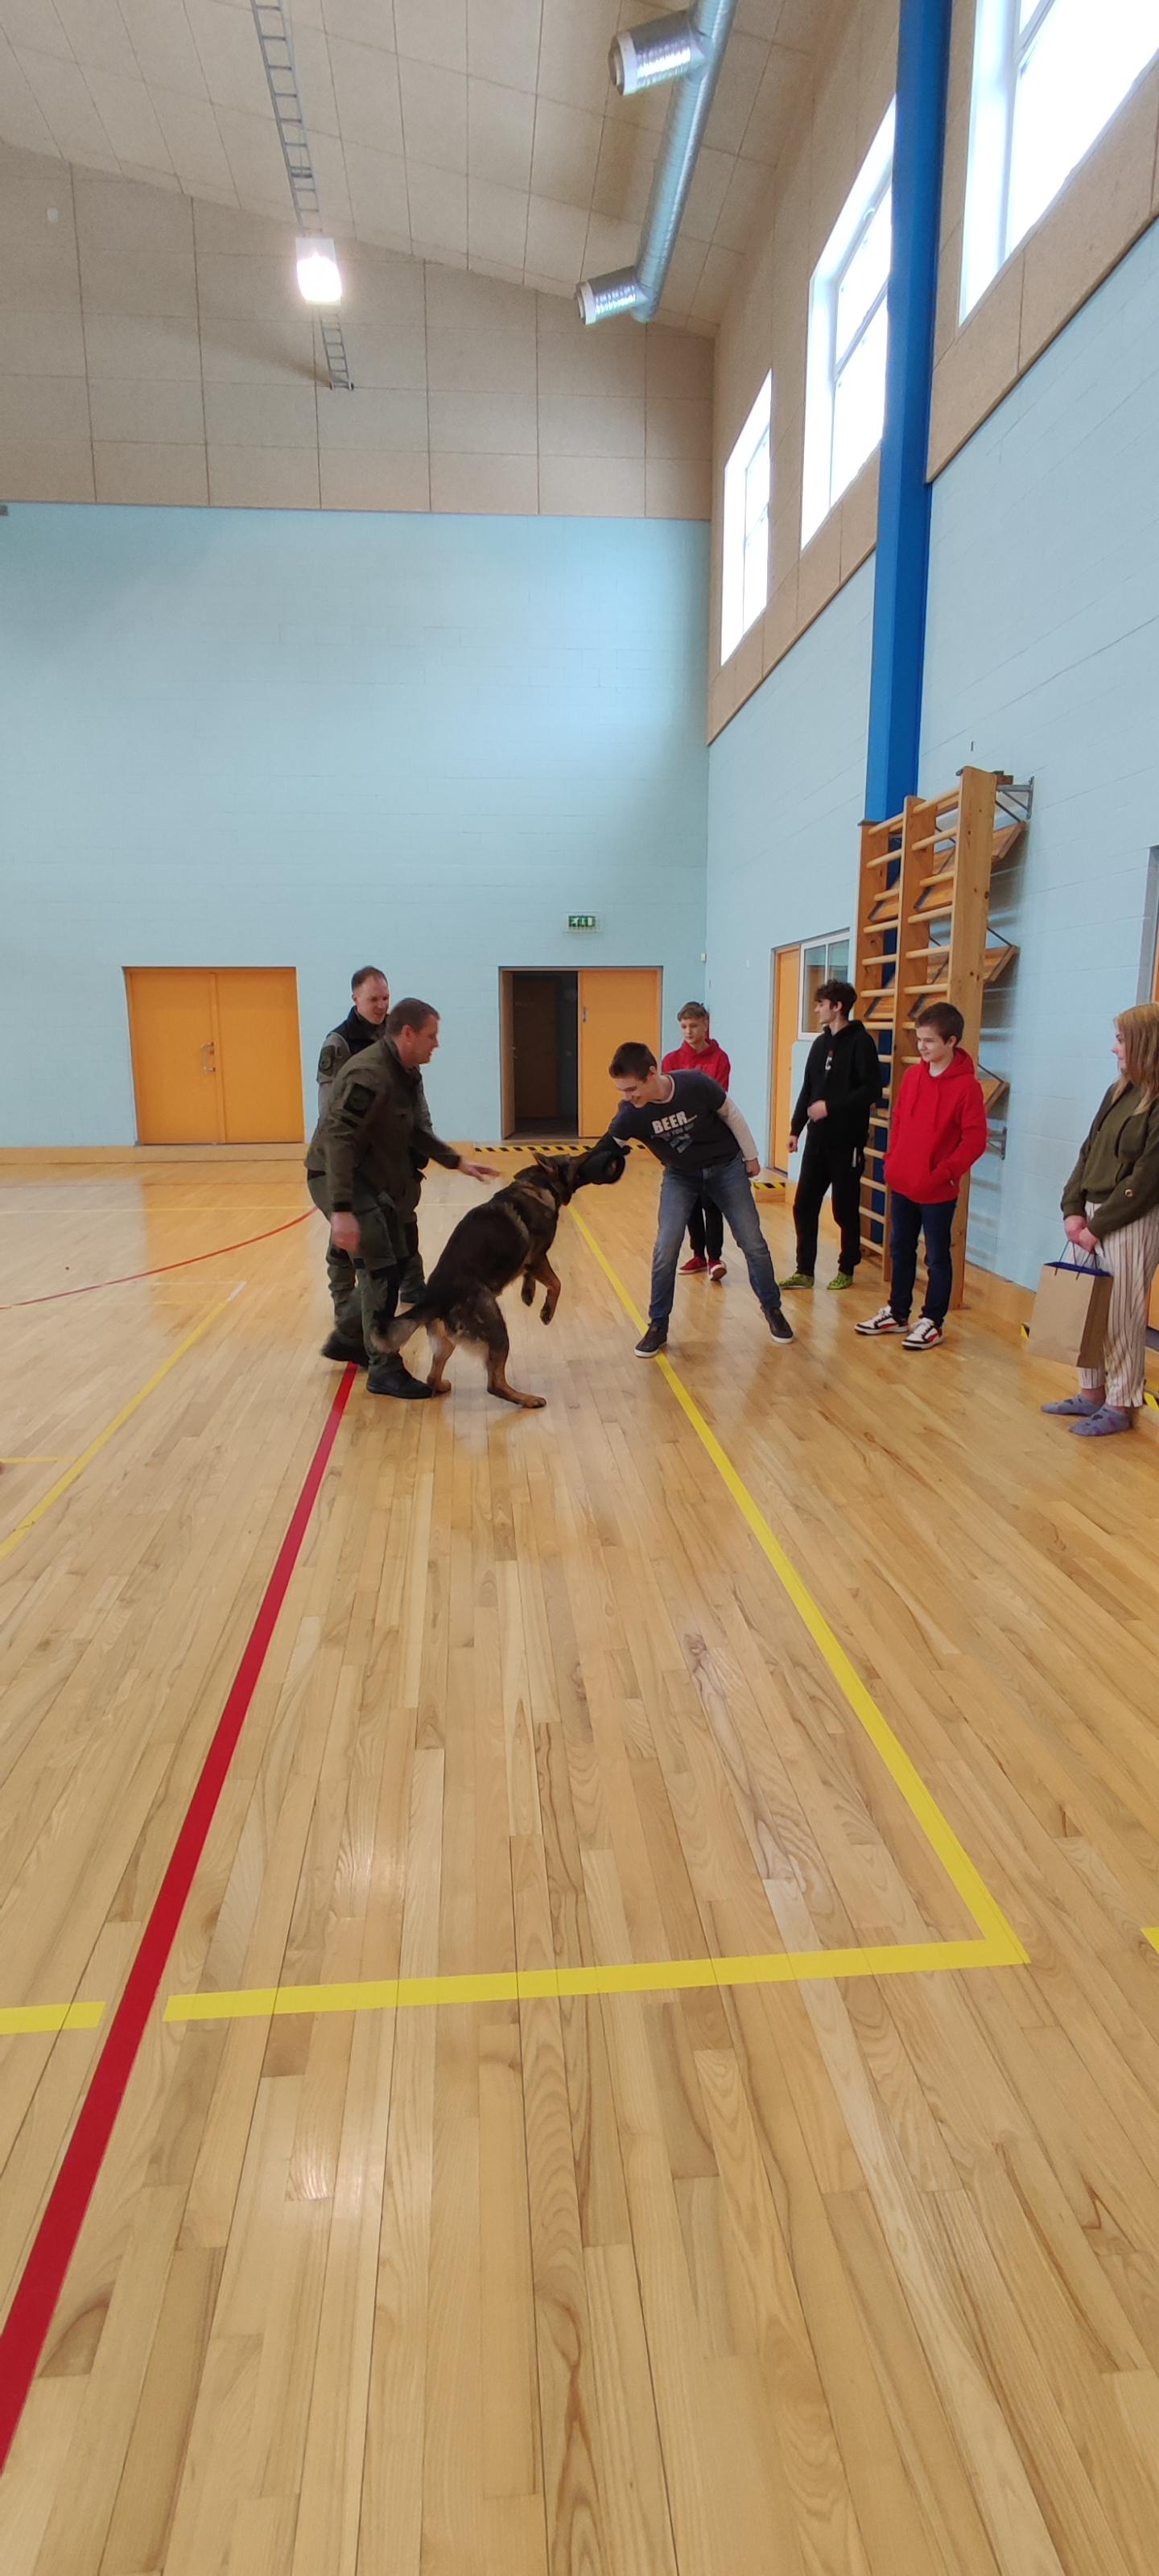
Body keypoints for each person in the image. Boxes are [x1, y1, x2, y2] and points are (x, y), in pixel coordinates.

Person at [307, 997, 497, 1398]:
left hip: (368, 1177)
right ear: (407, 1033)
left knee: (396, 1260)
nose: (437, 1044)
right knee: (380, 1266)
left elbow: (412, 1130)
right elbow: (338, 1140)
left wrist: (457, 1161)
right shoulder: (368, 1074)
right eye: (432, 1036)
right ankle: (383, 1369)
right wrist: (341, 1209)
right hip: (340, 1176)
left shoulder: (404, 1071)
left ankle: (349, 1339)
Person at [599, 1042, 793, 1356]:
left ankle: (773, 1309)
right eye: (621, 1091)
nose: (627, 1097)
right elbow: (606, 1147)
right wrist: (570, 1172)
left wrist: (752, 1156)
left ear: (652, 1074)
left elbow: (731, 1114)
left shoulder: (695, 1084)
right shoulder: (631, 1113)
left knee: (752, 1241)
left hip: (726, 1167)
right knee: (666, 1247)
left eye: (632, 1089)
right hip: (680, 1175)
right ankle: (658, 1325)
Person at [1041, 1001, 1159, 1436]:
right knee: (1086, 1308)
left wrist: (1098, 1226)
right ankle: (1090, 1393)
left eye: (1121, 1040)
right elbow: (1088, 1151)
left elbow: (1148, 1178)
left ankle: (1121, 1403)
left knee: (1121, 1316)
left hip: (1129, 1220)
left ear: (1145, 1044)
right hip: (1089, 1218)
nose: (1114, 1048)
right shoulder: (1118, 1091)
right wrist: (1072, 1208)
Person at [855, 1001, 987, 1348]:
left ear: (951, 1041)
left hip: (938, 1190)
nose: (921, 1047)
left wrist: (944, 1173)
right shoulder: (914, 1076)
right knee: (900, 1248)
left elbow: (975, 1140)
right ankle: (898, 1313)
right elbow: (898, 1120)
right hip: (903, 1182)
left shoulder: (967, 1087)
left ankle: (932, 1321)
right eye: (919, 1039)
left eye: (929, 1041)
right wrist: (892, 1159)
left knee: (937, 1257)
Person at [316, 966, 427, 1305]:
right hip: (359, 1156)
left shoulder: (398, 1034)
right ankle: (343, 1297)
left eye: (385, 998)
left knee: (404, 1216)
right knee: (353, 1226)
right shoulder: (339, 1043)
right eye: (373, 999)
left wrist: (422, 1136)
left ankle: (413, 1283)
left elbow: (416, 1094)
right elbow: (330, 1111)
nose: (381, 1006)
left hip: (394, 1152)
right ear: (355, 998)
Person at [782, 978, 881, 1292]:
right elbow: (808, 1089)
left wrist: (831, 1107)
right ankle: (804, 1270)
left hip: (847, 1141)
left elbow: (872, 1090)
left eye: (821, 1004)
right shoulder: (819, 1044)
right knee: (803, 1205)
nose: (816, 1010)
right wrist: (796, 1128)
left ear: (837, 1007)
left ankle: (847, 1266)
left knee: (843, 1208)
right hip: (817, 1141)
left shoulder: (861, 1043)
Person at [662, 1002, 732, 1281]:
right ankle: (698, 1255)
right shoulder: (671, 1060)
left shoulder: (720, 1058)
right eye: (684, 1026)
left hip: (712, 1141)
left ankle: (715, 1257)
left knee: (711, 1201)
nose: (689, 1031)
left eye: (693, 1025)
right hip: (682, 1143)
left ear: (705, 1024)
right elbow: (669, 1099)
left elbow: (717, 1097)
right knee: (690, 1201)